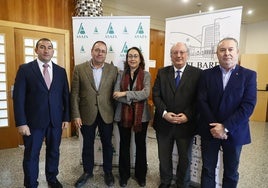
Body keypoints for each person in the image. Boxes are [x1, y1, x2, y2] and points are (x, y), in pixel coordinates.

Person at [197, 37, 257, 188]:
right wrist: (215, 127)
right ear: (217, 54)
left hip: (235, 130)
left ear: (237, 52)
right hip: (210, 130)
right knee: (207, 169)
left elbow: (248, 106)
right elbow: (201, 101)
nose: (227, 53)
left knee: (231, 172)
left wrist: (225, 127)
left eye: (231, 49)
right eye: (222, 50)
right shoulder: (206, 74)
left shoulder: (248, 75)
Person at [13, 38, 70, 188]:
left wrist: (66, 117)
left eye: (49, 47)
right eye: (42, 47)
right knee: (31, 155)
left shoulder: (60, 71)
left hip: (55, 121)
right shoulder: (25, 69)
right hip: (32, 123)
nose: (46, 50)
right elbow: (18, 98)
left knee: (53, 152)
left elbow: (66, 96)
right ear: (36, 50)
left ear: (53, 51)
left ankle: (52, 178)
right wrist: (21, 122)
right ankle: (31, 183)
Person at [152, 42, 202, 188]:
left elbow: (199, 98)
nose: (178, 55)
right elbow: (156, 95)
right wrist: (165, 113)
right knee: (164, 157)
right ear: (171, 55)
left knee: (185, 158)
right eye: (175, 52)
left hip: (186, 125)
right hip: (164, 124)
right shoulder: (162, 72)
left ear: (187, 54)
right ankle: (165, 181)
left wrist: (187, 115)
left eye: (182, 52)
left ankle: (183, 183)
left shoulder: (197, 74)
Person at [71, 41, 118, 187]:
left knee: (107, 145)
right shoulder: (79, 69)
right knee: (87, 145)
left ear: (106, 54)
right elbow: (74, 94)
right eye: (97, 50)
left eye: (103, 51)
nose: (100, 53)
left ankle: (108, 172)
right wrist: (76, 115)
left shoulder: (113, 70)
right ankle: (87, 172)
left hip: (107, 113)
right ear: (91, 51)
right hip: (86, 114)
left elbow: (115, 93)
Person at [113, 47, 151, 187]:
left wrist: (125, 94)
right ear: (127, 59)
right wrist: (130, 97)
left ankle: (141, 175)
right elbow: (116, 94)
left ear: (140, 59)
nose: (132, 59)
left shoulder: (146, 75)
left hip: (142, 117)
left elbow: (145, 93)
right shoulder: (121, 74)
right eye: (130, 56)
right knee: (124, 145)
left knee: (141, 146)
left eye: (135, 56)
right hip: (123, 115)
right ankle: (124, 175)